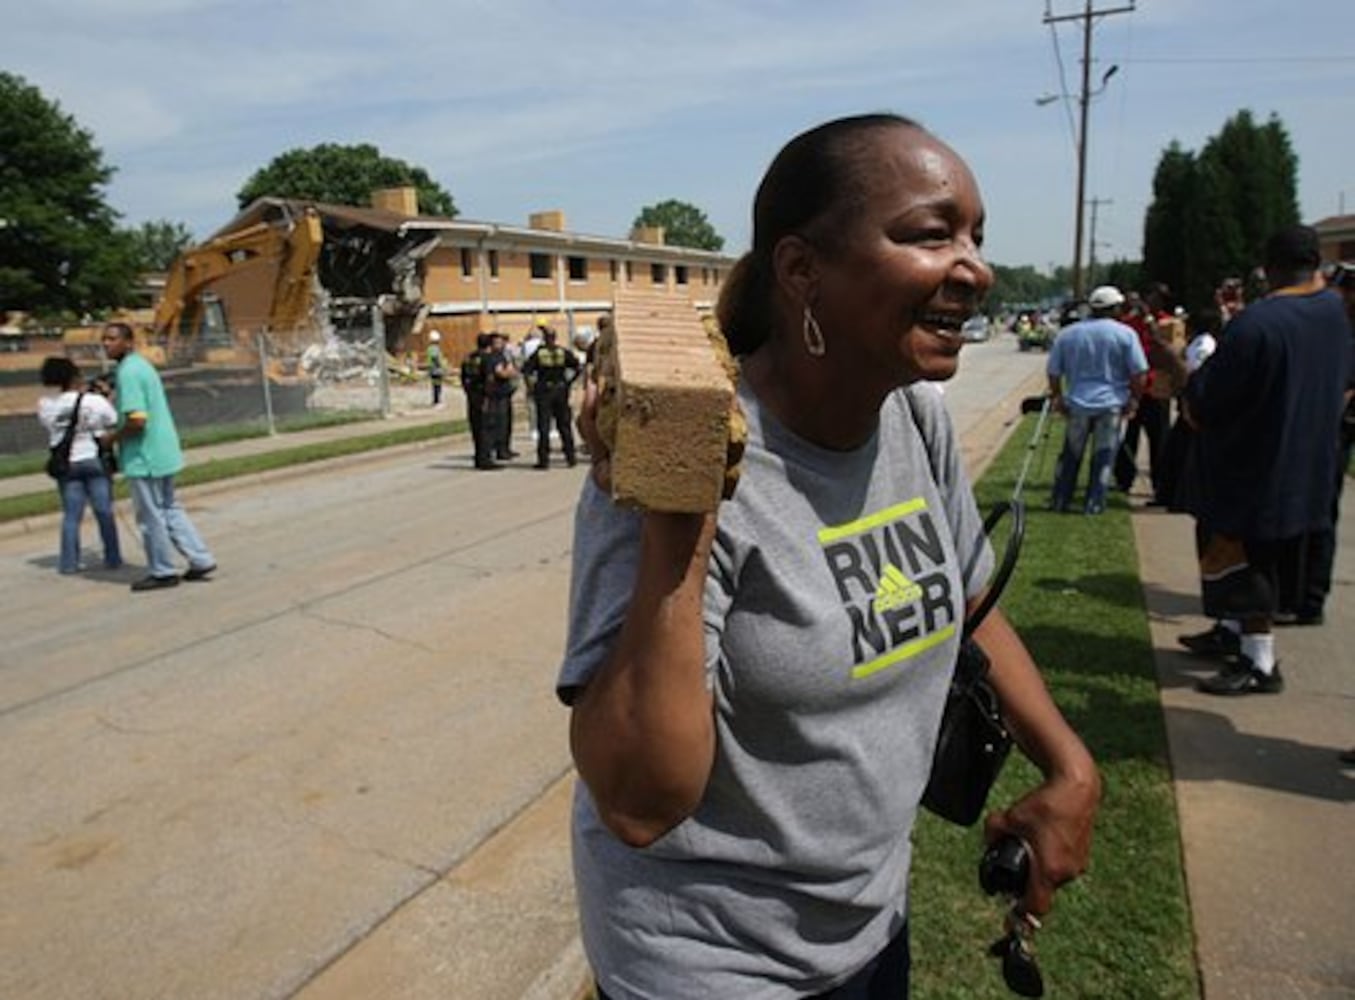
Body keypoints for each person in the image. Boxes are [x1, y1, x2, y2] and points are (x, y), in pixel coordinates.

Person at [558, 113, 1099, 999]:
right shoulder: (677, 461)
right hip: (712, 962)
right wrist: (679, 514)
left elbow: (967, 598)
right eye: (931, 234)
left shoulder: (911, 416)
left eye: (975, 236)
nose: (975, 267)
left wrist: (1069, 766)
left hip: (867, 922)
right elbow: (638, 802)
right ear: (801, 269)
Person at [1181, 226, 1353, 695]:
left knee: (1247, 564)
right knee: (1263, 562)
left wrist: (1188, 377)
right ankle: (1230, 632)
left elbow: (1204, 403)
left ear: (1270, 266)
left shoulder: (1257, 324)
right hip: (1311, 463)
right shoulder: (1336, 315)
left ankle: (1259, 661)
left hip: (1253, 471)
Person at [100, 322, 217, 592]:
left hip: (145, 456)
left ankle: (163, 570)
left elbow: (137, 420)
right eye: (104, 339)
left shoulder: (128, 372)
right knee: (170, 508)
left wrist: (111, 438)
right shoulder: (141, 366)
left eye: (113, 339)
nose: (107, 344)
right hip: (164, 450)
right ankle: (200, 559)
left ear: (129, 342)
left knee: (151, 516)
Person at [1046, 285, 1149, 515]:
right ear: (1114, 308)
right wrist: (1134, 400)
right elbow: (1139, 372)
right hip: (1111, 403)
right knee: (1103, 456)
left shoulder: (1069, 334)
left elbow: (1053, 371)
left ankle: (1061, 499)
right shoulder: (1125, 334)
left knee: (1071, 454)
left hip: (1078, 402)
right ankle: (1094, 503)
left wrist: (1057, 397)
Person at [37, 356, 122, 574]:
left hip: (66, 464)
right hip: (93, 459)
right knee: (104, 511)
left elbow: (52, 427)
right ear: (75, 377)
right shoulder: (93, 401)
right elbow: (112, 420)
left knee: (71, 515)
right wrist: (106, 397)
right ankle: (112, 557)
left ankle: (68, 563)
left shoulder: (45, 405)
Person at [1115, 284, 1180, 502]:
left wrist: (1150, 323)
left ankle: (1160, 483)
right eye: (1151, 296)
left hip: (1157, 389)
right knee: (1130, 435)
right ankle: (1123, 479)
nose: (1153, 301)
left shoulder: (1166, 322)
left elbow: (1170, 350)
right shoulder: (1131, 322)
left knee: (1159, 438)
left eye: (1158, 298)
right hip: (1137, 387)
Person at [521, 326, 580, 468]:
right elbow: (577, 367)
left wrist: (531, 387)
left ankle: (543, 461)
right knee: (564, 426)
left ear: (544, 338)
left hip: (544, 391)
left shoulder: (539, 353)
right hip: (561, 390)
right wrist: (568, 382)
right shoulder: (563, 352)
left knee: (544, 426)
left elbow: (526, 370)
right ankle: (571, 458)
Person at [461, 332, 497, 470]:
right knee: (486, 428)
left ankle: (478, 457)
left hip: (472, 395)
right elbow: (489, 378)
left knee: (475, 427)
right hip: (483, 395)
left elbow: (463, 377)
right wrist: (488, 395)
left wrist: (468, 391)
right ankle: (485, 459)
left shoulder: (469, 358)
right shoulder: (487, 359)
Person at [481, 332, 518, 461]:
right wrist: (509, 372)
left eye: (502, 342)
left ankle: (505, 448)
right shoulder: (493, 357)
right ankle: (500, 450)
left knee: (506, 423)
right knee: (499, 424)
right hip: (497, 395)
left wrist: (510, 371)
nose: (501, 344)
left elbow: (511, 370)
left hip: (505, 393)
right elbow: (501, 373)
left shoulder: (502, 356)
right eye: (497, 342)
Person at [425, 331, 445, 407]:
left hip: (432, 369)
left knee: (435, 385)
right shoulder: (435, 348)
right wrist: (440, 365)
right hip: (436, 370)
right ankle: (437, 401)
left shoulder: (430, 348)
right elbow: (435, 358)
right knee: (437, 385)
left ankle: (436, 400)